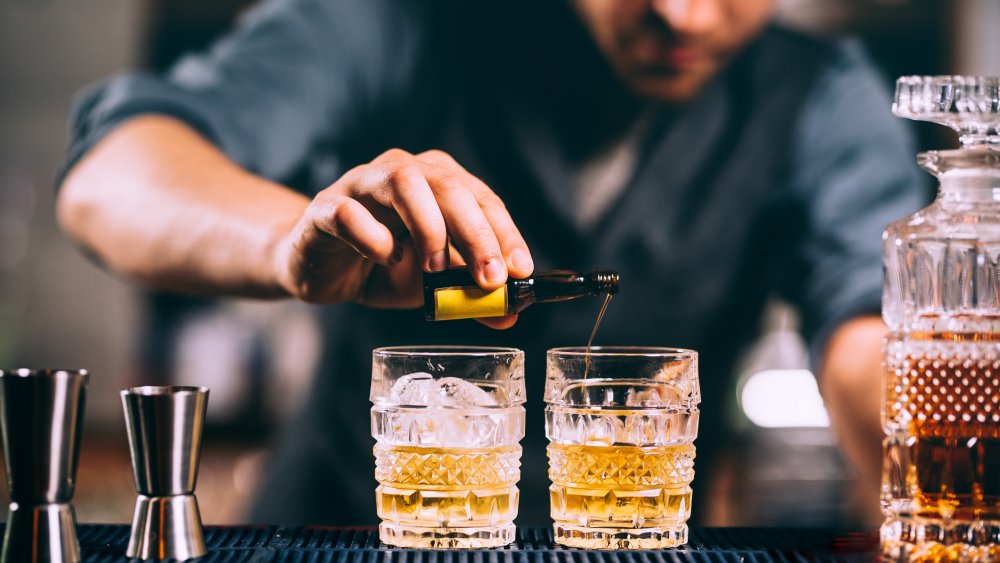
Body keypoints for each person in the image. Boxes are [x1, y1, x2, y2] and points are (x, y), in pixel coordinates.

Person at [57, 0, 925, 525]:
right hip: (346, 530)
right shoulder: (406, 23)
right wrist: (291, 241)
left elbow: (867, 331)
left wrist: (935, 472)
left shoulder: (818, 94)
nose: (683, 14)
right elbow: (112, 177)